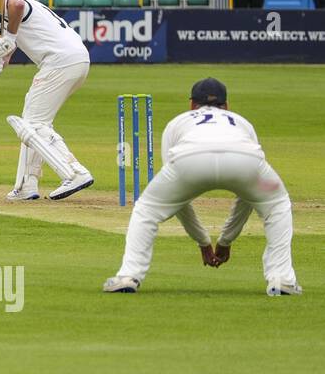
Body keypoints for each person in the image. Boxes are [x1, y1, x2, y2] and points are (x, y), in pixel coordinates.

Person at [103, 78, 300, 296]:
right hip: (245, 158)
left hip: (190, 158)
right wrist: (226, 240)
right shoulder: (241, 122)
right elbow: (249, 197)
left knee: (146, 210)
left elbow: (179, 201)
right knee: (277, 205)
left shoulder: (178, 122)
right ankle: (282, 280)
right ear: (226, 105)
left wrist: (203, 242)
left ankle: (128, 276)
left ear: (191, 104)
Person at [0, 0, 93, 200]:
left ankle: (75, 172)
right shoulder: (17, 9)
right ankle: (27, 185)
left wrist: (9, 38)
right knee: (32, 122)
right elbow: (8, 46)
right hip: (75, 59)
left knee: (33, 123)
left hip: (60, 61)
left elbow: (16, 5)